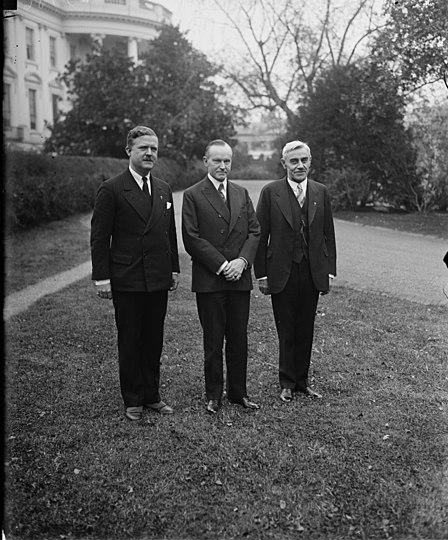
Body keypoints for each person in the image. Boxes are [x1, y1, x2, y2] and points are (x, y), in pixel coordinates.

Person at [90, 125, 180, 422]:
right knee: (130, 339)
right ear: (129, 151)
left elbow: (169, 232)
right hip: (127, 278)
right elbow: (100, 237)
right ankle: (133, 398)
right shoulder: (112, 188)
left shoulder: (164, 188)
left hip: (157, 277)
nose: (150, 153)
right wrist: (102, 278)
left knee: (154, 338)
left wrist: (174, 269)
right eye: (144, 148)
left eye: (154, 148)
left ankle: (152, 395)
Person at [182, 139, 261, 414]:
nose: (223, 166)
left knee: (239, 338)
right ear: (205, 161)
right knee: (213, 340)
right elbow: (191, 238)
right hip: (211, 279)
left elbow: (255, 232)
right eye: (217, 161)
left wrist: (241, 262)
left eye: (227, 161)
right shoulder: (193, 194)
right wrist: (222, 265)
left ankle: (239, 393)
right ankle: (214, 394)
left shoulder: (241, 193)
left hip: (239, 278)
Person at [254, 140, 336, 402]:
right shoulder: (271, 192)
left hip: (311, 273)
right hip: (281, 272)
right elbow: (259, 234)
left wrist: (329, 271)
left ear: (310, 162)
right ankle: (286, 382)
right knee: (286, 327)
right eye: (294, 161)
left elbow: (328, 234)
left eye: (304, 160)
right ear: (284, 164)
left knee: (306, 328)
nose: (299, 166)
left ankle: (302, 381)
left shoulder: (320, 192)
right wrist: (262, 274)